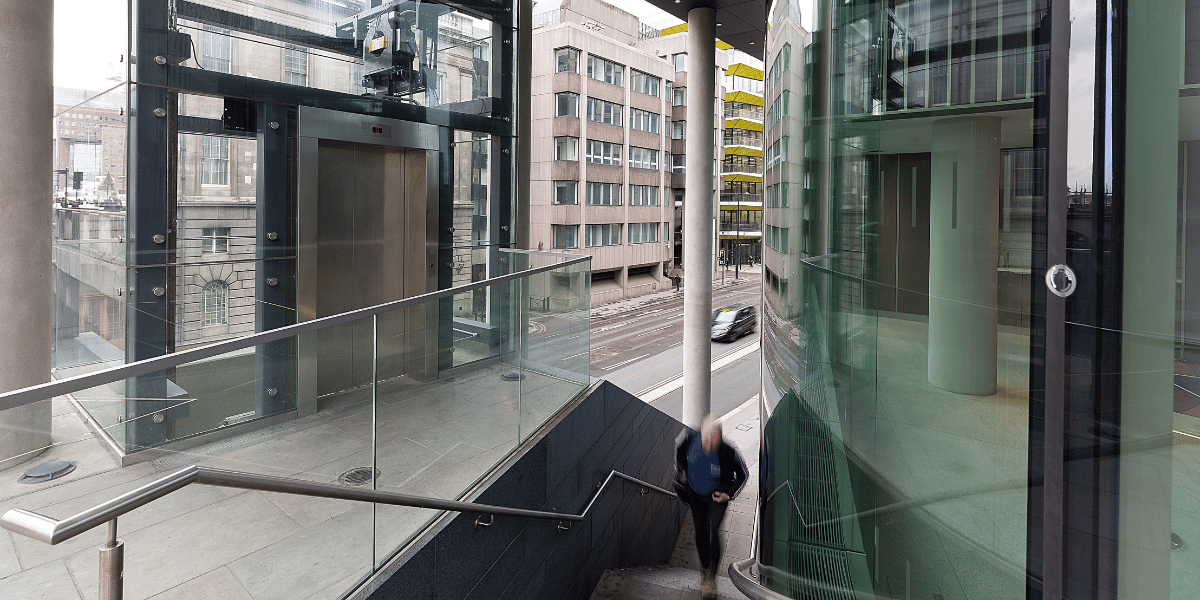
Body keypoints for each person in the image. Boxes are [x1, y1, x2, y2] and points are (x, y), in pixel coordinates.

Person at [674, 413, 748, 598]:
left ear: (720, 438)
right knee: (700, 531)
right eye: (706, 439)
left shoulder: (728, 452)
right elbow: (679, 452)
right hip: (695, 495)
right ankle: (704, 566)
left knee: (712, 532)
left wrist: (728, 494)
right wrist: (682, 470)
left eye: (713, 441)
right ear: (701, 434)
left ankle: (711, 578)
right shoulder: (691, 437)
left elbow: (743, 475)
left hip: (716, 497)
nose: (708, 445)